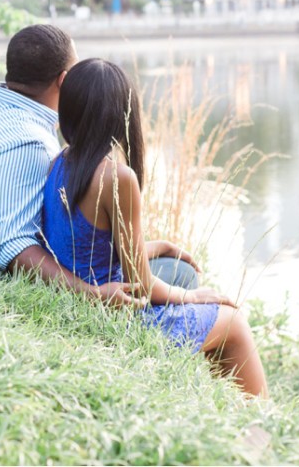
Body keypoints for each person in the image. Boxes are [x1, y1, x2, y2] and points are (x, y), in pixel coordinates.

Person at [41, 58, 269, 397]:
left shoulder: (60, 161)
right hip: (116, 316)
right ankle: (263, 425)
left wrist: (158, 245)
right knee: (233, 323)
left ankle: (223, 408)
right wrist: (192, 297)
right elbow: (141, 285)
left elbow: (86, 246)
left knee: (181, 272)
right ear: (122, 116)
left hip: (79, 301)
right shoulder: (117, 177)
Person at [0, 24, 189, 307]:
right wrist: (94, 295)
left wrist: (145, 247)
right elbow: (12, 248)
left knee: (168, 264)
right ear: (63, 81)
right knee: (181, 274)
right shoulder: (26, 144)